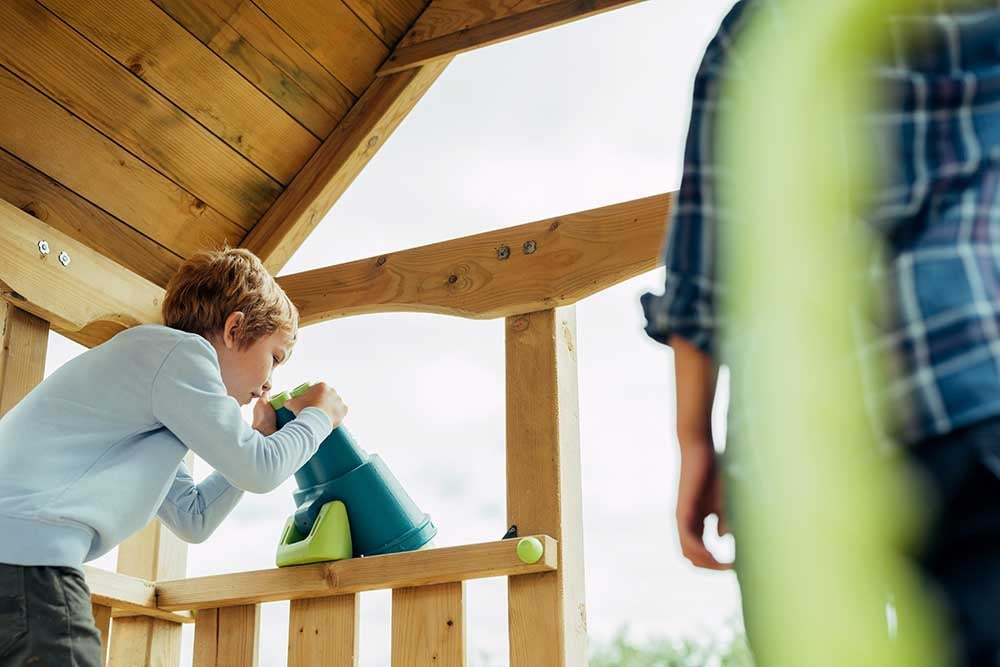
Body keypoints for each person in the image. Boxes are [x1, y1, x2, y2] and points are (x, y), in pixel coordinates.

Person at [641, 0, 1000, 663]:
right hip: (973, 375)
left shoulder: (763, 21)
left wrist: (695, 440)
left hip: (795, 432)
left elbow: (703, 256)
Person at [0, 247, 347, 665]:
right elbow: (260, 468)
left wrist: (260, 434)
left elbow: (192, 516)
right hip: (28, 559)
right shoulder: (180, 354)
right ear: (235, 329)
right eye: (273, 358)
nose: (269, 385)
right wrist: (318, 417)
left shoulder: (154, 398)